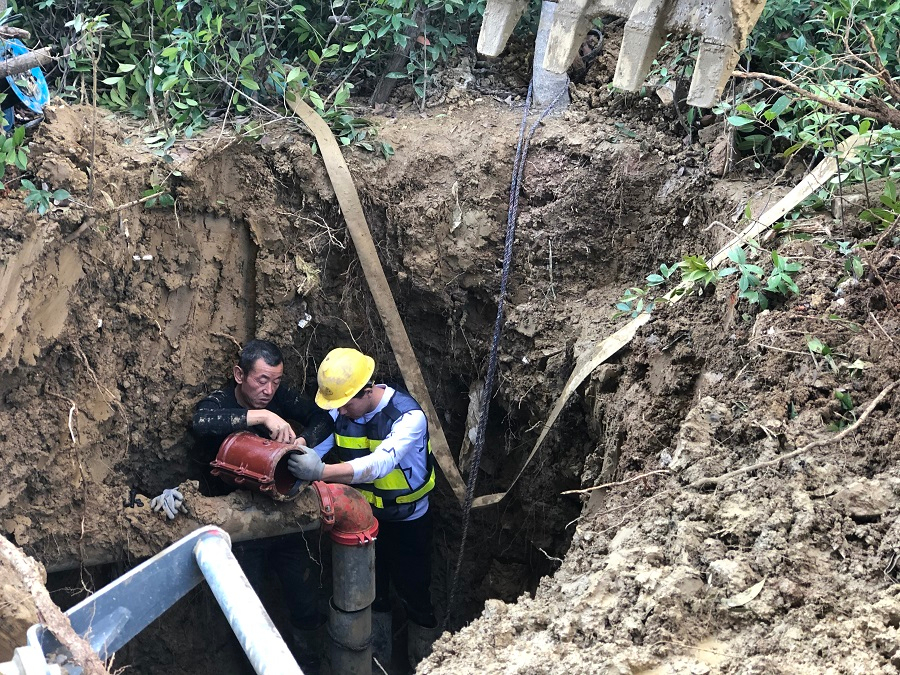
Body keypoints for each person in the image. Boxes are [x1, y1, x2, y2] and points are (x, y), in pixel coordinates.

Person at [152, 339, 334, 672]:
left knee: (304, 596)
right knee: (250, 607)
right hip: (238, 524)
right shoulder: (222, 401)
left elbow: (323, 418)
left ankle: (311, 661)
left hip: (284, 515)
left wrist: (301, 441)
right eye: (261, 380)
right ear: (239, 374)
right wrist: (262, 416)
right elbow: (201, 422)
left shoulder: (280, 396)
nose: (269, 389)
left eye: (276, 381)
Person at [286, 347, 439, 669]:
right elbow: (318, 447)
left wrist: (322, 472)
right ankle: (376, 663)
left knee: (416, 594)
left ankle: (426, 662)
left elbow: (380, 464)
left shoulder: (407, 417)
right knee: (374, 596)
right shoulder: (341, 414)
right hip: (363, 523)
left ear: (367, 390)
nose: (339, 412)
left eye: (344, 404)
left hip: (408, 522)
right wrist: (297, 451)